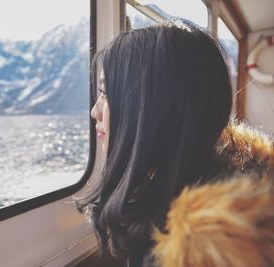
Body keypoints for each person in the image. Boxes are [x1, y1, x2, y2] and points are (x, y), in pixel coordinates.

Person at [78, 20, 274, 267]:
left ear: (154, 107)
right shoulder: (218, 177)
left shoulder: (199, 248)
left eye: (107, 94)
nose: (95, 111)